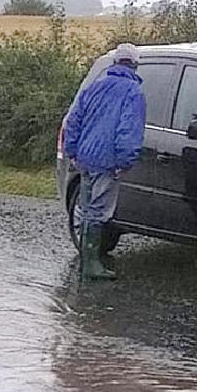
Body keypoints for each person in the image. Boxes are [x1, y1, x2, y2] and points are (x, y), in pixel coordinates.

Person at [63, 43, 146, 281]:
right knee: (99, 211)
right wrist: (125, 161)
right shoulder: (133, 92)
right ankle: (91, 264)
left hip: (86, 157)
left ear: (115, 63)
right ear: (134, 64)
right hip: (107, 161)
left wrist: (72, 151)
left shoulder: (94, 87)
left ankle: (87, 261)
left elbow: (74, 121)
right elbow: (128, 130)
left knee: (88, 208)